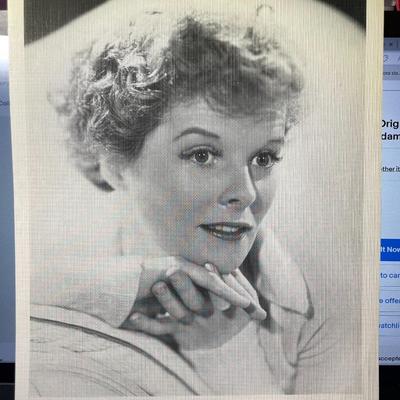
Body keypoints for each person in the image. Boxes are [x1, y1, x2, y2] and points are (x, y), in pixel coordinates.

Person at [28, 0, 360, 396]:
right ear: (114, 165)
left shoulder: (326, 302)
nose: (245, 193)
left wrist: (227, 355)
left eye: (263, 158)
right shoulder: (45, 273)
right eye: (202, 155)